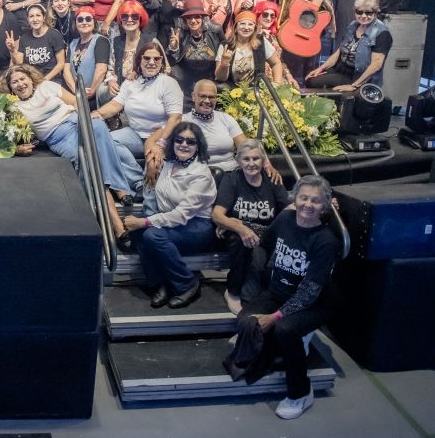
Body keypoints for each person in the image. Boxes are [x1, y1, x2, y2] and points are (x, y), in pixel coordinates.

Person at [237, 175, 341, 420]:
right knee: (245, 319)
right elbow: (265, 239)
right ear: (295, 198)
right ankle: (287, 343)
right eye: (304, 198)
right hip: (279, 292)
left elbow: (309, 292)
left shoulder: (326, 241)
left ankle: (301, 393)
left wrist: (274, 317)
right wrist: (237, 226)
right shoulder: (285, 219)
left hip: (315, 303)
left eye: (315, 201)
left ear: (325, 206)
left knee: (284, 329)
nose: (308, 204)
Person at [0, 63, 141, 213]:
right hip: (56, 136)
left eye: (23, 79)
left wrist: (82, 117)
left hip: (75, 120)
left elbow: (74, 101)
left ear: (30, 79)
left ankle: (119, 188)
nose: (20, 84)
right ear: (10, 88)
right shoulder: (13, 107)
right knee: (84, 155)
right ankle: (105, 200)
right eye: (15, 82)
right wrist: (17, 149)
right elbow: (9, 137)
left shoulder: (46, 86)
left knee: (98, 126)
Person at [112, 123, 217, 309]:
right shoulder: (168, 163)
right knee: (138, 235)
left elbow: (181, 215)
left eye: (190, 141)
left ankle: (187, 283)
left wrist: (145, 221)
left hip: (198, 226)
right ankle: (160, 284)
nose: (183, 144)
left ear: (198, 146)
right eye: (179, 140)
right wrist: (151, 165)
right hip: (172, 220)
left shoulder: (201, 174)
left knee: (152, 235)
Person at [213, 139, 289, 314]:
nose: (251, 163)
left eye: (255, 158)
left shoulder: (273, 179)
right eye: (246, 159)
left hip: (266, 234)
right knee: (241, 240)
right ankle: (233, 292)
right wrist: (240, 228)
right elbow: (217, 215)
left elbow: (288, 210)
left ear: (263, 160)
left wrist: (325, 204)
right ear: (238, 161)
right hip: (240, 237)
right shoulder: (231, 179)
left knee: (259, 273)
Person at [94, 42, 184, 185]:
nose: (151, 62)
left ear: (162, 62)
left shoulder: (168, 83)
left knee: (153, 165)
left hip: (161, 136)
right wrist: (97, 113)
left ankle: (144, 187)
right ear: (139, 60)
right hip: (135, 134)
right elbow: (116, 104)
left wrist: (161, 144)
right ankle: (137, 181)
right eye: (146, 58)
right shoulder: (131, 82)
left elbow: (176, 118)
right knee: (107, 141)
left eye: (156, 59)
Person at [183, 79, 282, 179]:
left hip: (231, 173)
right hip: (199, 175)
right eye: (203, 96)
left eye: (211, 97)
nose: (207, 101)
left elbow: (247, 146)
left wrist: (267, 165)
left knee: (270, 179)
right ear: (193, 96)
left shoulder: (226, 118)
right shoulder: (183, 121)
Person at [306, 0, 392, 91]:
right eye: (359, 12)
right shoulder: (353, 25)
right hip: (340, 69)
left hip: (356, 76)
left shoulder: (382, 33)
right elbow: (340, 51)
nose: (363, 16)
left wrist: (354, 86)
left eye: (368, 13)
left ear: (375, 13)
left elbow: (376, 65)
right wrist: (321, 68)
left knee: (313, 82)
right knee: (310, 78)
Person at [167, 0, 226, 99]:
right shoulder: (179, 33)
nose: (193, 21)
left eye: (197, 17)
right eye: (189, 18)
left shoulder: (216, 31)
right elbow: (172, 62)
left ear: (203, 18)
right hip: (187, 81)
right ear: (185, 20)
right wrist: (174, 48)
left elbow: (225, 50)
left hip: (211, 79)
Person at [215, 11, 284, 87]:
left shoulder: (261, 43)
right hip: (231, 90)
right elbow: (220, 78)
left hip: (256, 90)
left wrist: (277, 83)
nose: (246, 27)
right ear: (235, 28)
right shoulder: (225, 46)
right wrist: (224, 63)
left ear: (254, 28)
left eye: (250, 24)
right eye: (242, 24)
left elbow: (276, 63)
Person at [104, 1, 152, 106]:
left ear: (140, 19)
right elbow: (111, 68)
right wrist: (111, 81)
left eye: (134, 16)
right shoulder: (116, 41)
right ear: (121, 20)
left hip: (143, 87)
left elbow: (164, 70)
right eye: (125, 16)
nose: (129, 20)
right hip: (121, 86)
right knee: (102, 90)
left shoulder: (150, 41)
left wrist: (139, 73)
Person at [9, 4, 67, 86]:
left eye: (38, 15)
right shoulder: (24, 37)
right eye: (31, 16)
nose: (35, 19)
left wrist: (44, 80)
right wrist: (12, 50)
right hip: (31, 80)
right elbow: (19, 64)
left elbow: (61, 64)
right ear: (28, 19)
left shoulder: (54, 35)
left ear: (43, 17)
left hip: (52, 79)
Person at [67, 5, 110, 103]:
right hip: (76, 94)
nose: (84, 22)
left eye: (88, 19)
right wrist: (76, 90)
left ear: (94, 22)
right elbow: (66, 70)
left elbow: (101, 70)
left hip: (94, 96)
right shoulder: (73, 43)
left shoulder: (101, 41)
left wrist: (91, 92)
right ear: (75, 23)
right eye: (80, 20)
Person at [254, 1, 301, 88]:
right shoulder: (252, 35)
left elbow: (280, 60)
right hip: (261, 80)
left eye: (272, 16)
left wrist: (288, 75)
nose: (269, 19)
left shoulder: (273, 36)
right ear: (257, 15)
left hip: (278, 78)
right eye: (265, 15)